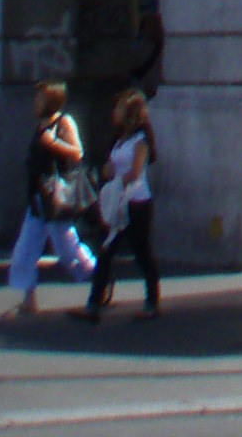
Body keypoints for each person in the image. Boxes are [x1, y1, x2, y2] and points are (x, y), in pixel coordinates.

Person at [8, 83, 96, 314]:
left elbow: (78, 153)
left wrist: (53, 143)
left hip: (55, 197)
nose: (36, 104)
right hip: (38, 197)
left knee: (67, 249)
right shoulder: (40, 125)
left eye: (40, 99)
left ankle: (97, 276)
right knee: (25, 250)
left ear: (52, 101)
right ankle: (29, 297)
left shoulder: (63, 122)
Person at [76, 90, 160, 322]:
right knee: (105, 251)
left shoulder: (140, 140)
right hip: (117, 204)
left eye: (120, 108)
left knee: (142, 252)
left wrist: (117, 182)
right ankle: (93, 304)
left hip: (136, 203)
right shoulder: (119, 140)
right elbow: (109, 167)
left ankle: (152, 301)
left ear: (130, 113)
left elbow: (135, 171)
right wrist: (107, 173)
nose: (115, 112)